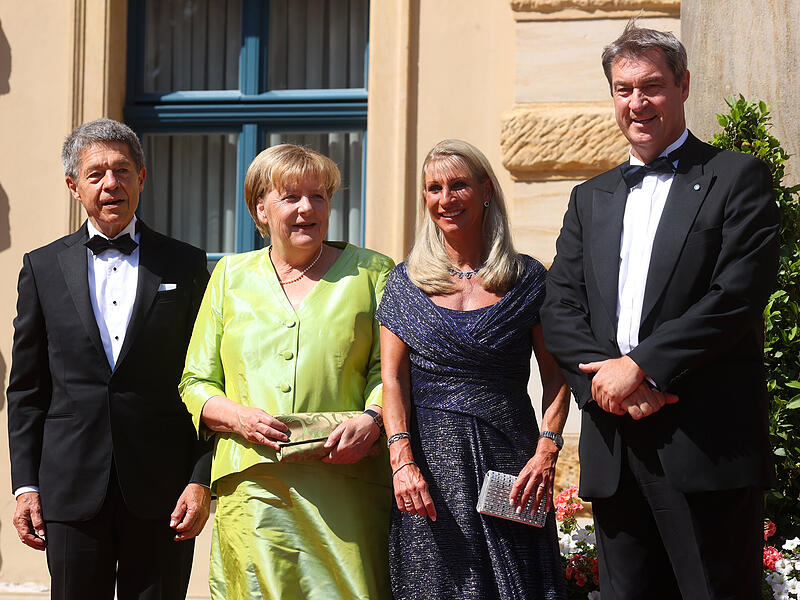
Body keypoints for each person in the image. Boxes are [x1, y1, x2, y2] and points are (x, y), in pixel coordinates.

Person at [540, 22, 780, 600]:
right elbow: (561, 306)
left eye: (652, 86)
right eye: (623, 90)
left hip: (704, 445)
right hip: (614, 446)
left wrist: (642, 366)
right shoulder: (589, 196)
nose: (637, 102)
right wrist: (608, 384)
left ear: (683, 86)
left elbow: (736, 296)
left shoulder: (736, 178)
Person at [6, 118, 212, 599]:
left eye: (122, 171)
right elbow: (27, 390)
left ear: (142, 177)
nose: (110, 184)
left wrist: (201, 479)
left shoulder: (186, 264)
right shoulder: (41, 267)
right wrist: (25, 486)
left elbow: (208, 377)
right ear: (73, 186)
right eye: (95, 173)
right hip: (69, 490)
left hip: (165, 492)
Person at [179, 144, 395, 600]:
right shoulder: (229, 276)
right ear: (260, 208)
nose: (307, 209)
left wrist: (373, 420)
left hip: (346, 478)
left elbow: (390, 371)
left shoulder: (372, 272)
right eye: (291, 197)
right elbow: (196, 382)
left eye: (318, 196)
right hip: (253, 484)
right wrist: (239, 418)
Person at [377, 139, 570, 600]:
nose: (446, 199)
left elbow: (557, 376)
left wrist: (547, 451)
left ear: (486, 191)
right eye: (434, 188)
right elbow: (392, 381)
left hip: (513, 467)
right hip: (428, 472)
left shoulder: (527, 279)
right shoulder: (405, 283)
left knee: (520, 586)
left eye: (459, 185)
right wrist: (402, 462)